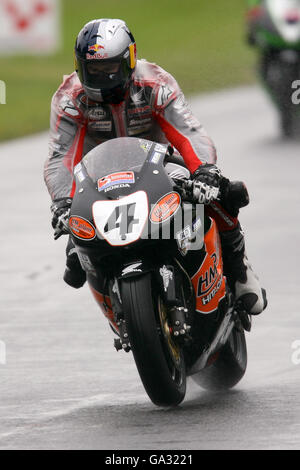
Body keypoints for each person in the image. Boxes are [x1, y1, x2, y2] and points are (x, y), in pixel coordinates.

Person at [44, 18, 267, 315]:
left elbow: (186, 132)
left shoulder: (155, 84)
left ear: (129, 60)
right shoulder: (69, 99)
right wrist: (62, 202)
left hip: (159, 165)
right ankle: (116, 303)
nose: (103, 78)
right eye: (93, 70)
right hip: (98, 179)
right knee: (75, 261)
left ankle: (240, 271)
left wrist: (204, 171)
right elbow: (62, 157)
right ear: (79, 66)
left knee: (220, 194)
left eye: (110, 68)